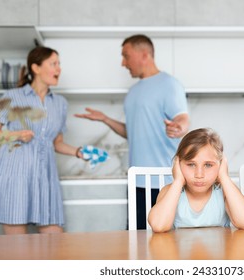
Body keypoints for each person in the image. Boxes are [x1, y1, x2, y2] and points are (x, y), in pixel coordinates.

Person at [75, 34, 190, 229]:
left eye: (126, 56)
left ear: (144, 54)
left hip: (164, 182)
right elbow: (133, 133)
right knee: (137, 239)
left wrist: (178, 127)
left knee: (166, 242)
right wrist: (105, 119)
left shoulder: (169, 84)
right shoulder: (133, 92)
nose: (123, 63)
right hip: (137, 181)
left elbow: (182, 118)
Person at [0, 46, 85, 235]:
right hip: (15, 174)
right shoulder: (12, 97)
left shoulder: (60, 103)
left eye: (59, 64)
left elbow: (57, 142)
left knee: (56, 243)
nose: (59, 69)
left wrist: (79, 152)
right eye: (53, 64)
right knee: (18, 249)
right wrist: (15, 135)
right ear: (36, 68)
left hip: (45, 176)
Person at [148, 128, 244, 233]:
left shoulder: (225, 192)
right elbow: (159, 226)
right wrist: (178, 182)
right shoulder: (169, 191)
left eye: (208, 165)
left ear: (221, 165)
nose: (199, 174)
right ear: (178, 164)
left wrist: (224, 177)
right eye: (191, 164)